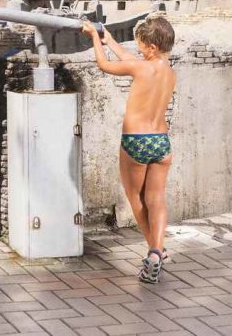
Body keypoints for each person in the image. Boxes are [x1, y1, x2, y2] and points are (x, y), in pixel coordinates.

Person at [82, 16, 176, 284]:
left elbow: (104, 64)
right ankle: (157, 251)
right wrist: (110, 40)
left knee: (136, 198)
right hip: (161, 142)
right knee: (156, 199)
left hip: (136, 140)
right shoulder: (169, 74)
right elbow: (133, 61)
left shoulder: (141, 67)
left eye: (142, 46)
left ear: (152, 48)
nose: (139, 50)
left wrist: (94, 37)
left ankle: (154, 251)